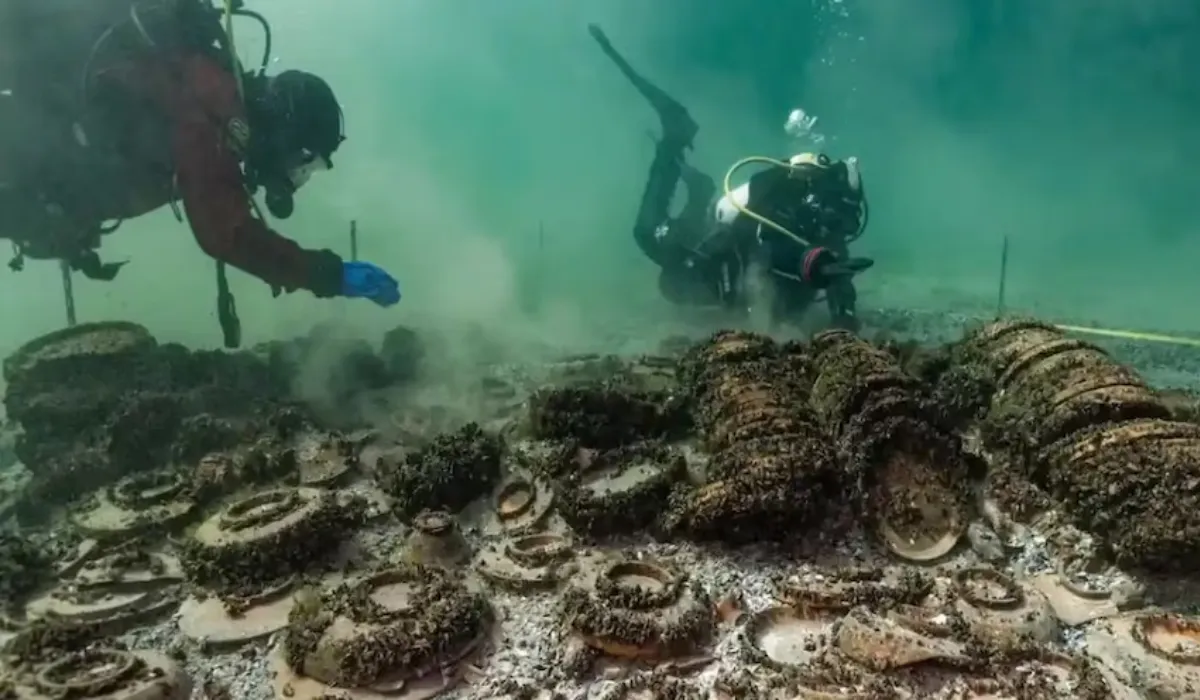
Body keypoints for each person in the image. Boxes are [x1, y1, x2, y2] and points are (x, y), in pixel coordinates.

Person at [0, 0, 400, 336]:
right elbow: (227, 234)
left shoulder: (213, 96)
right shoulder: (215, 103)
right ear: (286, 128)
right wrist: (330, 275)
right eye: (304, 163)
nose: (295, 179)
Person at [588, 24, 872, 332]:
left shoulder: (826, 226)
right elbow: (768, 246)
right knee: (648, 236)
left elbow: (836, 273)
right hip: (717, 244)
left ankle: (699, 190)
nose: (839, 229)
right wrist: (813, 263)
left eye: (845, 222)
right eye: (839, 218)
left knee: (684, 277)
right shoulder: (786, 193)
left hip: (731, 257)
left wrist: (844, 314)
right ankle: (675, 137)